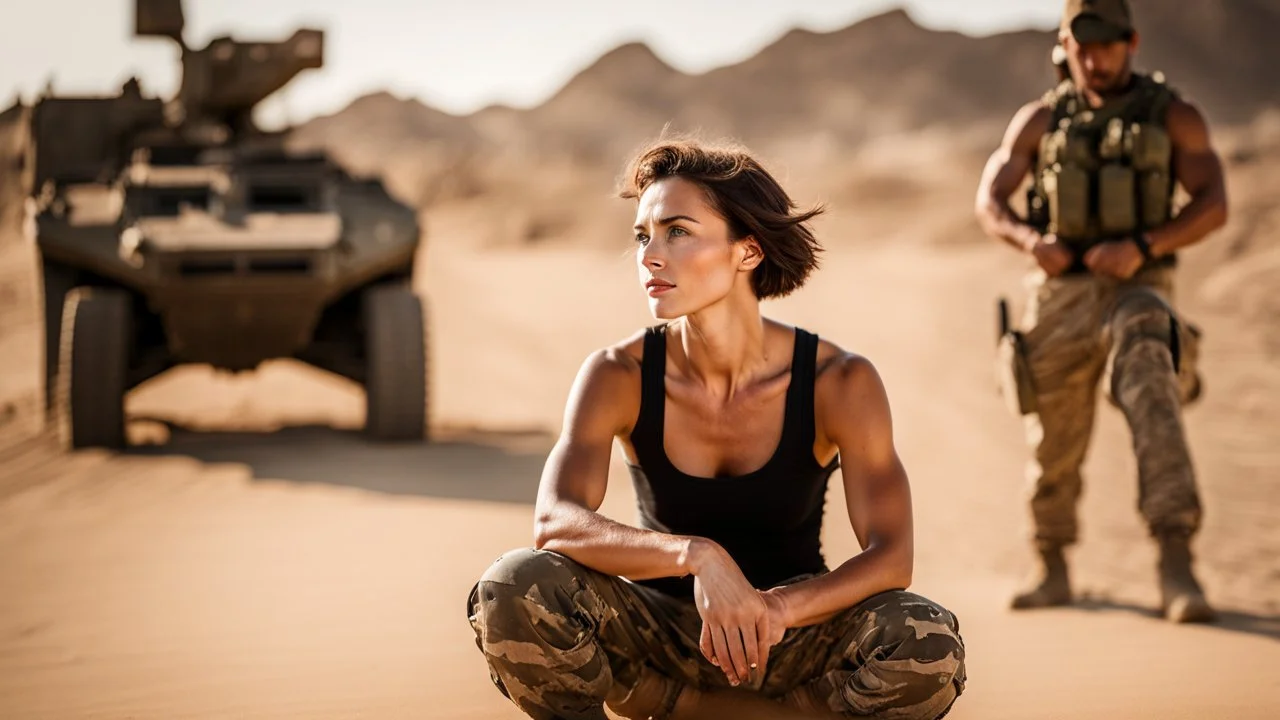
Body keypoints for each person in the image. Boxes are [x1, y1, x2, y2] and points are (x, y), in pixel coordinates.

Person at [466, 139, 966, 720]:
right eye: (641, 236)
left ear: (747, 252)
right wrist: (696, 555)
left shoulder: (838, 380)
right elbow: (555, 522)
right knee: (514, 585)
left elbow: (891, 556)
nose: (650, 256)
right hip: (659, 644)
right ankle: (682, 703)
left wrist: (777, 608)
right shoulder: (617, 374)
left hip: (796, 643)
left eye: (678, 231)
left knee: (925, 637)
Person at [974, 0, 1228, 622]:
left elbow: (1214, 202)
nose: (1095, 58)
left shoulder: (1174, 116)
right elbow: (989, 199)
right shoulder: (1039, 121)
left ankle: (1176, 564)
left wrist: (1144, 245)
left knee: (1150, 383)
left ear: (1131, 41)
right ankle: (1051, 563)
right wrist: (1034, 243)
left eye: (1108, 44)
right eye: (1082, 45)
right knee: (1052, 438)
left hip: (1138, 286)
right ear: (1064, 43)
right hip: (1059, 296)